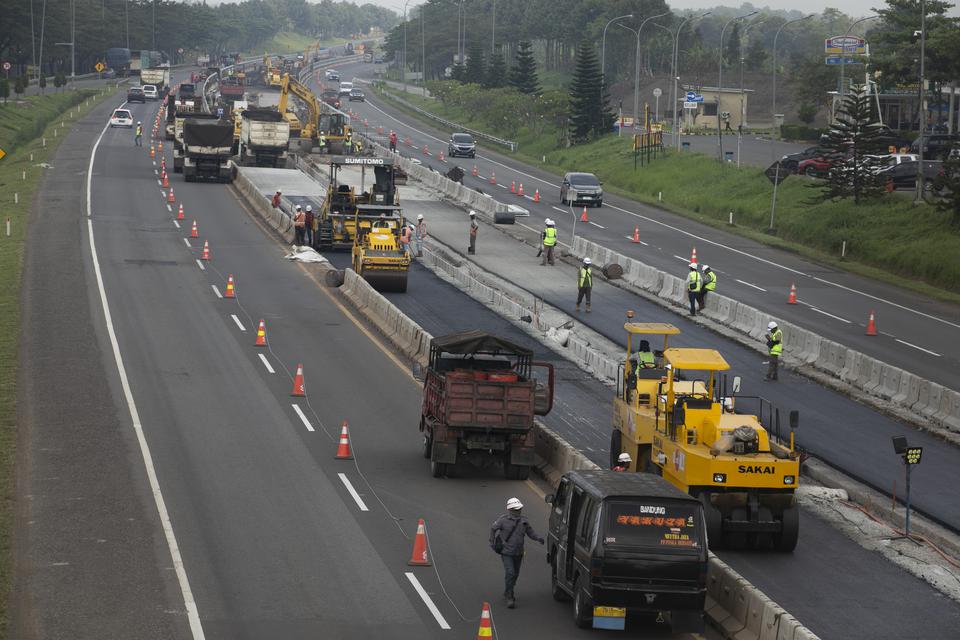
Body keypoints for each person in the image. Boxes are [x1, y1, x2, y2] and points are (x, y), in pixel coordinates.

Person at [489, 497, 544, 609]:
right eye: (515, 509)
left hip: (518, 553)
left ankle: (508, 590)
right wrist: (492, 541)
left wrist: (538, 538)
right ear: (510, 509)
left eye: (519, 509)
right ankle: (509, 596)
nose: (518, 511)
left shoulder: (524, 521)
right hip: (507, 552)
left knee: (515, 574)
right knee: (510, 572)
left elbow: (530, 532)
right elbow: (493, 528)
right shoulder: (503, 520)